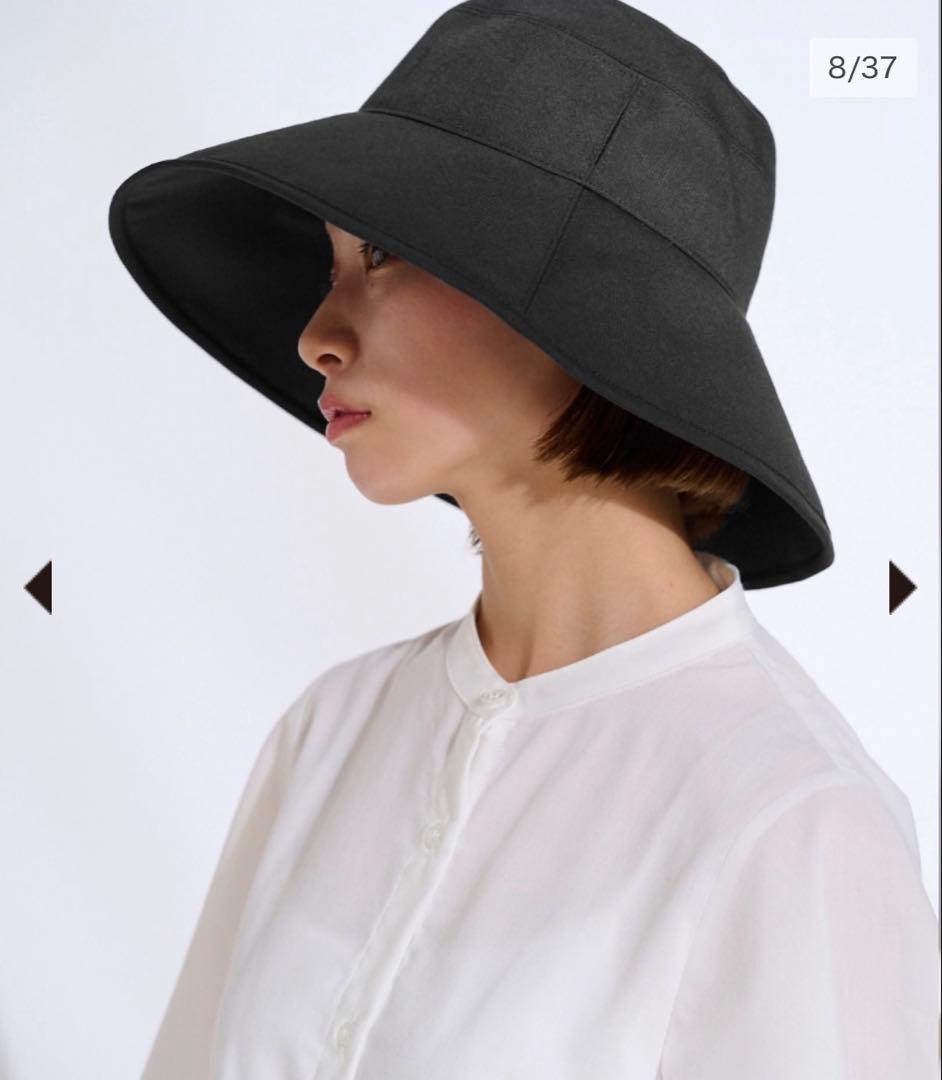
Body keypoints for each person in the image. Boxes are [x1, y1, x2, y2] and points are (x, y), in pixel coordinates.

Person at [109, 2, 939, 1077]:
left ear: (588, 315)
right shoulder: (330, 732)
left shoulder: (790, 822)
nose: (316, 336)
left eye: (383, 254)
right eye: (332, 265)